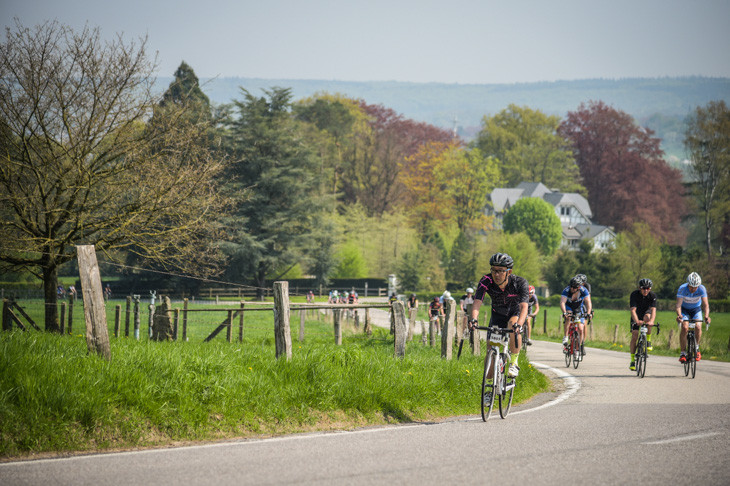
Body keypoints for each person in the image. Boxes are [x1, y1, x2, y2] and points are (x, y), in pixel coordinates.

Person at [468, 253, 529, 378]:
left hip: (514, 313)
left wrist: (520, 325)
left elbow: (524, 307)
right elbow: (477, 301)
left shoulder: (519, 282)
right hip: (497, 315)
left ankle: (513, 363)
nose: (496, 274)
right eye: (494, 270)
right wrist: (473, 319)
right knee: (490, 358)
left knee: (513, 326)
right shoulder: (486, 280)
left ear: (509, 272)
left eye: (500, 271)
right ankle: (489, 388)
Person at [676, 272, 711, 363]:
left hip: (696, 310)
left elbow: (706, 305)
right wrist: (679, 315)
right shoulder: (682, 288)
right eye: (691, 286)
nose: (693, 289)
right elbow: (678, 305)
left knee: (698, 326)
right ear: (688, 284)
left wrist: (706, 316)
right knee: (684, 327)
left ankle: (697, 347)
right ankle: (683, 353)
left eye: (695, 287)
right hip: (685, 310)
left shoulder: (702, 289)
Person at [629, 278, 657, 371]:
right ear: (639, 288)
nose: (646, 290)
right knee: (635, 335)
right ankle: (632, 360)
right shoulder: (634, 294)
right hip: (636, 315)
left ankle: (648, 340)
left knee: (648, 319)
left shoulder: (652, 295)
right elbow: (633, 310)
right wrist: (637, 321)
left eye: (648, 288)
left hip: (646, 313)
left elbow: (653, 310)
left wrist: (652, 321)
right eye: (643, 288)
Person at [560, 276, 592, 356]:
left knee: (581, 329)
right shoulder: (566, 290)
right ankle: (566, 337)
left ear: (578, 287)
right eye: (571, 286)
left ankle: (578, 349)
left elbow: (588, 302)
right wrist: (564, 312)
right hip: (569, 306)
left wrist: (588, 313)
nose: (572, 288)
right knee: (569, 317)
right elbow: (562, 302)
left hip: (578, 307)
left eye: (574, 287)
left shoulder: (584, 290)